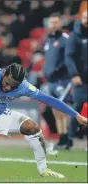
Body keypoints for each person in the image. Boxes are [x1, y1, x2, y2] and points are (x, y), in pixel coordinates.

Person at [43, 13, 72, 148]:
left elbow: (69, 58)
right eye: (51, 22)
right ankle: (62, 137)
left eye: (56, 22)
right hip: (51, 80)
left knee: (62, 108)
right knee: (55, 110)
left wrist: (58, 70)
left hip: (62, 79)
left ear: (61, 23)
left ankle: (67, 137)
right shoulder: (48, 40)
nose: (53, 25)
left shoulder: (66, 39)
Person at [65, 10, 88, 150]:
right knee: (77, 108)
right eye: (85, 17)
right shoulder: (74, 36)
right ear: (81, 18)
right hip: (80, 79)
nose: (87, 20)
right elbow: (69, 57)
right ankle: (70, 138)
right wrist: (74, 74)